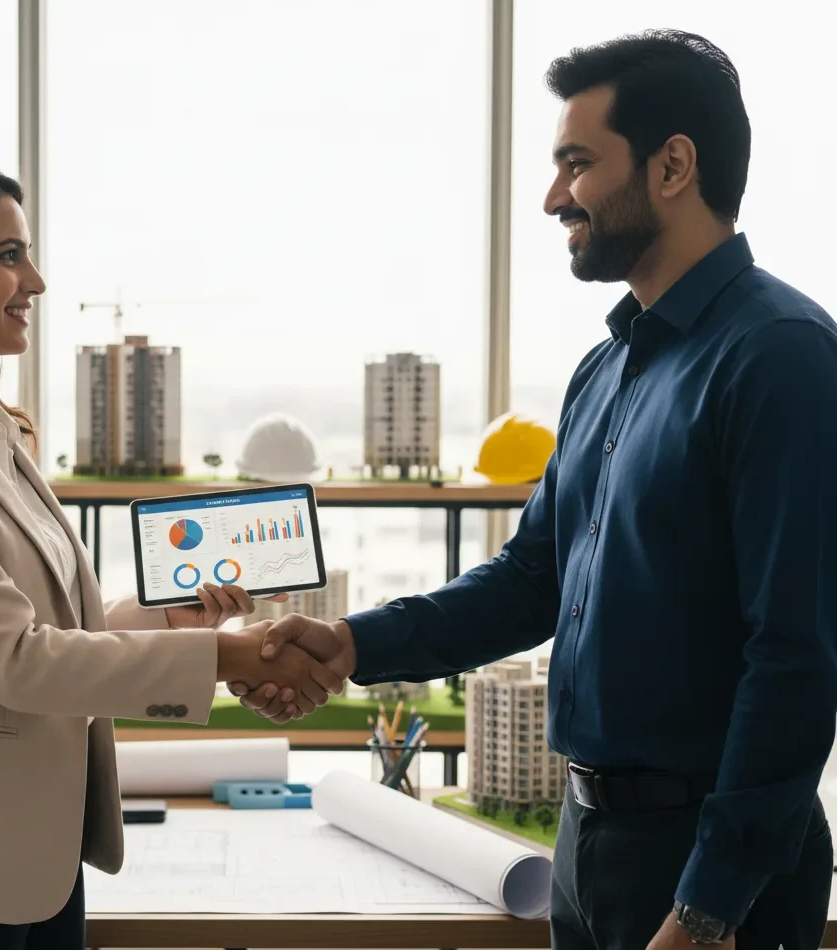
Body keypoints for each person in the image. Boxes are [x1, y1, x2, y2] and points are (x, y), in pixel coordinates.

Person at [229, 29, 837, 950]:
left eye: (578, 164)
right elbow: (530, 580)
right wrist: (352, 642)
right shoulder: (607, 369)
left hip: (707, 868)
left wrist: (708, 910)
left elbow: (795, 658)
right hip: (589, 840)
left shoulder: (780, 357)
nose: (555, 197)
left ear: (674, 166)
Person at [0, 156, 343, 950]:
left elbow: (65, 625)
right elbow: (19, 662)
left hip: (37, 864)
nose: (37, 280)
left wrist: (170, 619)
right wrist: (231, 658)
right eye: (7, 256)